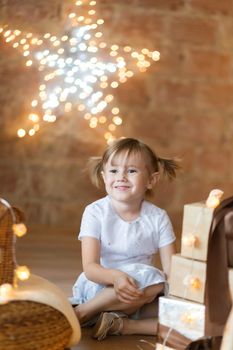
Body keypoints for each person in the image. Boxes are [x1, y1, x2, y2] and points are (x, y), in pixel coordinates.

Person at [72, 137, 179, 340]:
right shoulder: (95, 212)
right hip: (99, 290)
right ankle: (82, 313)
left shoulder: (158, 217)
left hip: (140, 297)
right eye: (114, 171)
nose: (121, 177)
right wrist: (116, 277)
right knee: (152, 278)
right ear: (104, 177)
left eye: (131, 171)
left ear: (151, 180)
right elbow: (90, 268)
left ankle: (122, 325)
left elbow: (171, 272)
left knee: (186, 318)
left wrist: (180, 301)